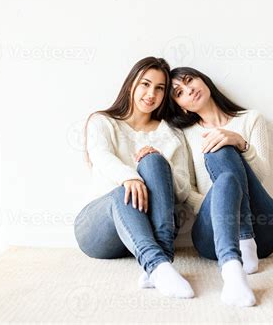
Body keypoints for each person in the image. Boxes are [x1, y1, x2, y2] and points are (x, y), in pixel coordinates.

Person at [165, 67, 273, 307]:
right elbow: (185, 190)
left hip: (265, 228)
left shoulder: (251, 119)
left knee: (224, 145)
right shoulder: (184, 134)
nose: (189, 90)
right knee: (225, 176)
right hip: (213, 234)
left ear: (203, 80)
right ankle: (236, 258)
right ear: (181, 106)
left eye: (190, 81)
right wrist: (220, 205)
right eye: (180, 92)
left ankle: (246, 239)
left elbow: (261, 175)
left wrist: (239, 143)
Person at [73, 57, 194, 299]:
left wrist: (161, 164)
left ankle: (160, 263)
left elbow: (182, 188)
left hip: (149, 229)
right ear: (131, 85)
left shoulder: (171, 133)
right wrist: (131, 178)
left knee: (153, 160)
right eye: (145, 84)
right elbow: (102, 157)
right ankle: (157, 264)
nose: (151, 94)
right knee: (121, 192)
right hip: (99, 228)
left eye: (160, 88)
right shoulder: (102, 122)